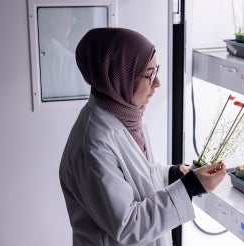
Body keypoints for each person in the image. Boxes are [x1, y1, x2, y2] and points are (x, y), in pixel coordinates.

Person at [59, 27, 226, 246]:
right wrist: (189, 187)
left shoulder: (124, 119)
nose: (157, 84)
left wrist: (174, 174)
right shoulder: (92, 144)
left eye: (157, 71)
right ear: (119, 76)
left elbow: (137, 177)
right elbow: (129, 226)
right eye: (149, 74)